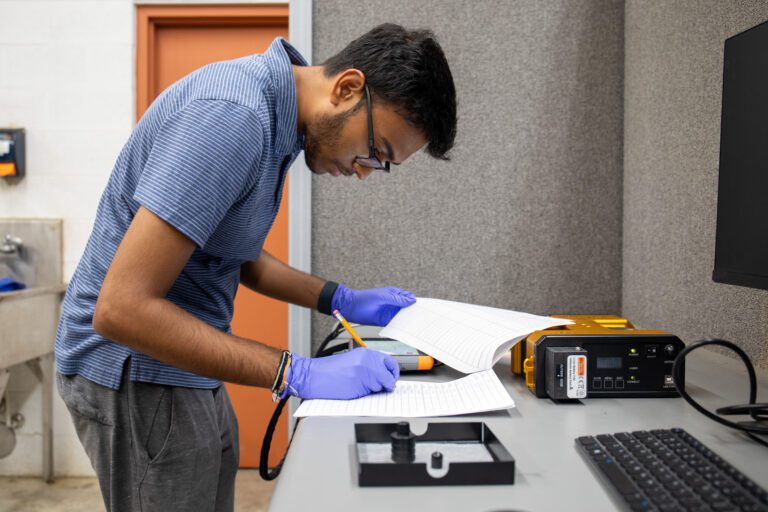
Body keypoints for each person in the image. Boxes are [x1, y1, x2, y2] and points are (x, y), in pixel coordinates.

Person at [55, 23, 457, 511]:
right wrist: (297, 373)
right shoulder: (234, 119)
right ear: (347, 88)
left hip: (177, 364)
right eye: (376, 151)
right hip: (133, 368)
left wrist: (341, 299)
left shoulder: (279, 119)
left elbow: (237, 253)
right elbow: (120, 309)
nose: (363, 170)